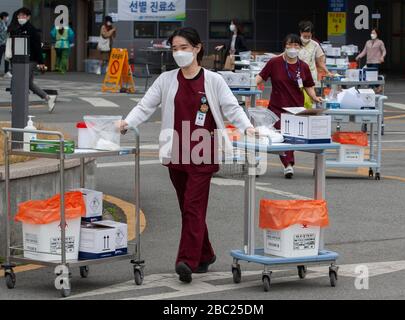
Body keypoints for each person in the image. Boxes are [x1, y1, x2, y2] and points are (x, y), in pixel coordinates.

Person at [120, 27, 255, 283]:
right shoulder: (167, 79)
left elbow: (231, 107)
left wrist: (247, 126)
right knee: (188, 208)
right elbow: (145, 105)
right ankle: (205, 254)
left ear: (197, 48)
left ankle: (187, 261)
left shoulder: (213, 80)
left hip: (203, 151)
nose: (179, 53)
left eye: (184, 48)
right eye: (174, 49)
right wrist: (126, 123)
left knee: (193, 206)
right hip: (175, 152)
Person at [256, 34, 322, 179]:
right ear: (284, 46)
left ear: (300, 48)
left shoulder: (303, 66)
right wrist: (248, 85)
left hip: (295, 109)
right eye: (289, 45)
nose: (293, 48)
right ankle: (286, 164)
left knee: (290, 137)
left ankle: (288, 164)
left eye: (296, 46)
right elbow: (259, 78)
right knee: (280, 136)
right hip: (276, 107)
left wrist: (315, 97)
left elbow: (308, 85)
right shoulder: (274, 63)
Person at [10, 7, 55, 112]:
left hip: (30, 60)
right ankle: (48, 98)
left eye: (24, 16)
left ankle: (19, 106)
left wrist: (41, 62)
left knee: (21, 82)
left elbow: (37, 47)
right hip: (19, 60)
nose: (21, 17)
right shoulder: (17, 28)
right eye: (19, 15)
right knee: (28, 83)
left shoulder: (32, 30)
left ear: (28, 17)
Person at [298, 21, 333, 88]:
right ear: (300, 32)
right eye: (305, 36)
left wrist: (327, 72)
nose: (307, 38)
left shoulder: (315, 45)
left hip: (311, 75)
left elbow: (320, 61)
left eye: (309, 36)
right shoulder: (295, 43)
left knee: (310, 95)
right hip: (297, 75)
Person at [356, 28, 386, 93]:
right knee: (369, 75)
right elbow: (364, 51)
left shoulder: (380, 42)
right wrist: (359, 56)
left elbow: (384, 51)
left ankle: (371, 89)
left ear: (377, 34)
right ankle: (378, 86)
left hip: (376, 61)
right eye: (371, 33)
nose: (372, 34)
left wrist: (382, 57)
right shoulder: (368, 42)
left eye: (374, 33)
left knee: (373, 75)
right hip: (369, 61)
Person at [0, 12, 11, 78]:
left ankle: (6, 72)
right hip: (1, 43)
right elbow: (3, 33)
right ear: (4, 17)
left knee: (7, 58)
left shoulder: (5, 23)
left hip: (5, 43)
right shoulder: (1, 23)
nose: (7, 18)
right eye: (7, 17)